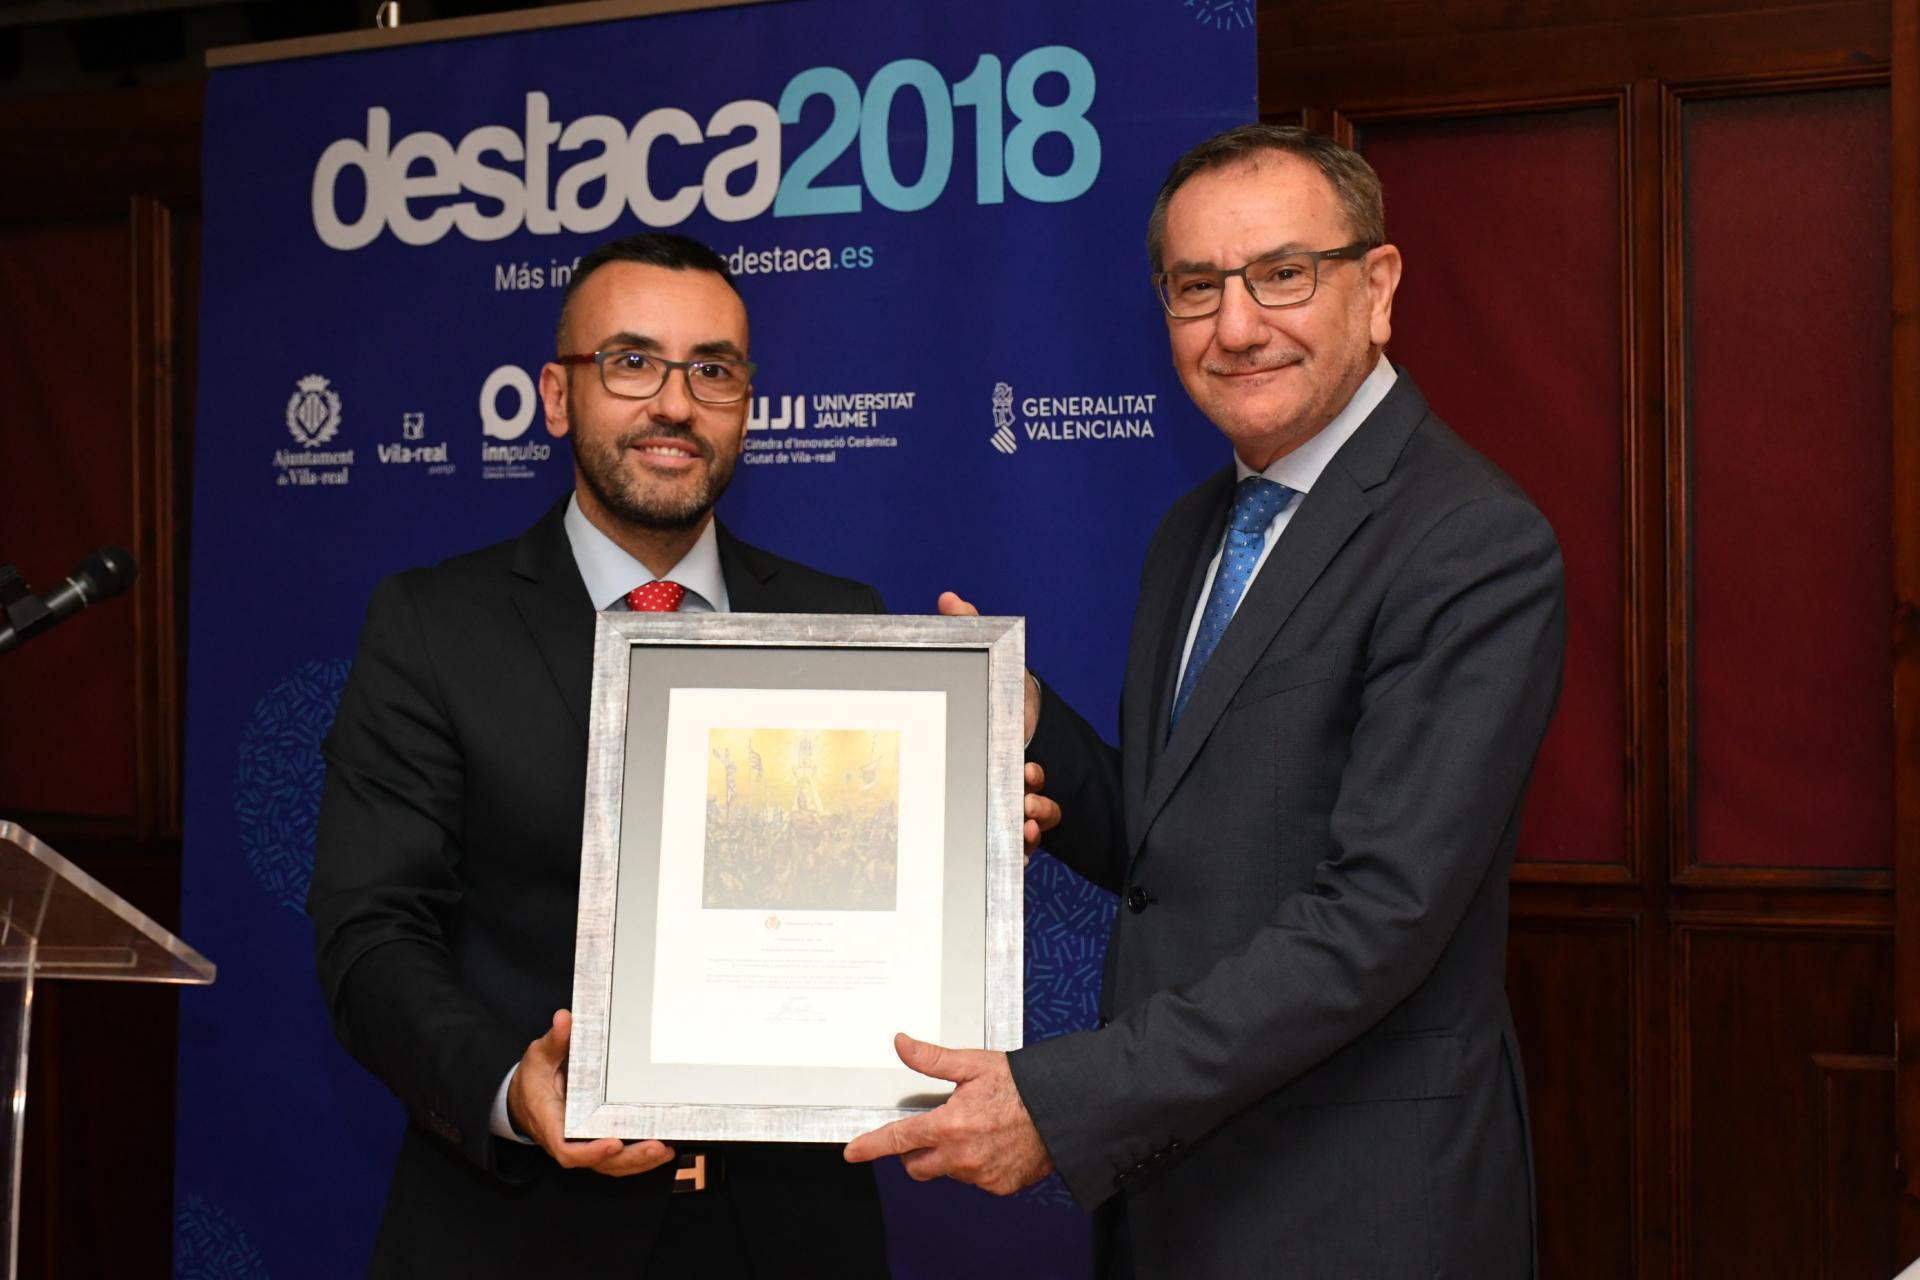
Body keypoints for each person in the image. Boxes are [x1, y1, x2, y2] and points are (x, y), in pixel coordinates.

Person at [845, 124, 1566, 1278]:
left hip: (1354, 1209)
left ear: (1378, 287)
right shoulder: (1196, 529)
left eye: (1283, 273)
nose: (1236, 325)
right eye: (1196, 286)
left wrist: (1069, 1100)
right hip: (1177, 1195)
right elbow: (1172, 846)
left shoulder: (1470, 541)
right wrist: (1027, 721)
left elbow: (1378, 915)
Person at [310, 232, 891, 1278]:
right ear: (556, 395)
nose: (675, 403)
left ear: (747, 404)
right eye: (631, 362)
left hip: (796, 1232)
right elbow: (370, 934)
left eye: (712, 370)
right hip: (516, 1231)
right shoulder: (432, 626)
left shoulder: (843, 624)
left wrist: (955, 829)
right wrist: (510, 1085)